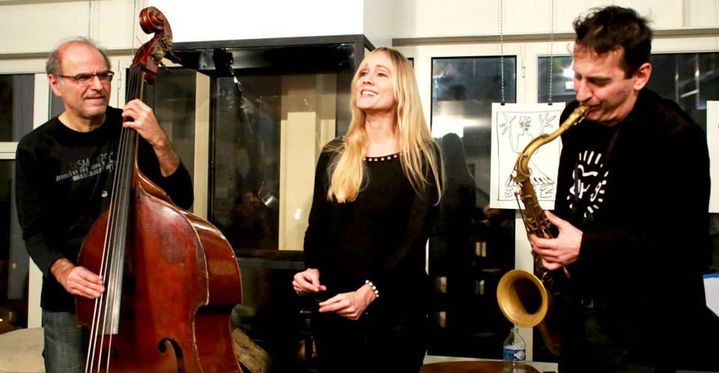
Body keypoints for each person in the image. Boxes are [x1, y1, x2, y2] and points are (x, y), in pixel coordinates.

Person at [529, 6, 719, 372]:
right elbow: (577, 203)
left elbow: (686, 247)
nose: (582, 93)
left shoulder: (675, 136)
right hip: (576, 316)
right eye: (577, 76)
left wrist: (585, 246)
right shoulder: (577, 117)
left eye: (598, 82)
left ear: (640, 75)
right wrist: (552, 243)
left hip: (641, 331)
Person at [15, 37, 193, 373]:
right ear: (55, 84)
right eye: (83, 77)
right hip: (68, 300)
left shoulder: (133, 129)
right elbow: (35, 233)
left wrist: (158, 139)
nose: (97, 86)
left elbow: (181, 201)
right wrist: (64, 271)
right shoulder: (35, 148)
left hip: (137, 293)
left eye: (105, 76)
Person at [291, 47, 442, 373]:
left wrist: (370, 292)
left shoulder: (423, 155)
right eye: (363, 73)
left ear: (400, 89)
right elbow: (317, 228)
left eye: (380, 74)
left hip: (397, 314)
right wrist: (311, 270)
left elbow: (413, 239)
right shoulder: (334, 153)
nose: (366, 79)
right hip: (335, 312)